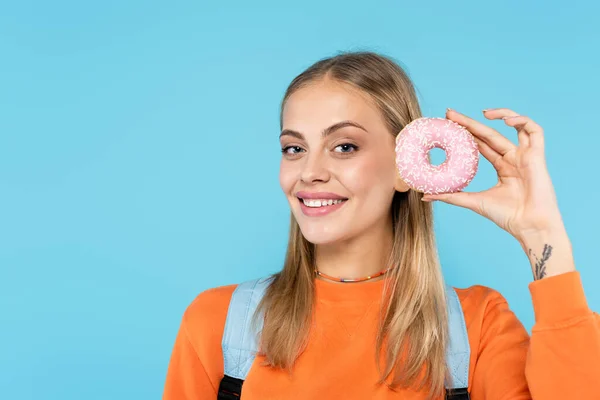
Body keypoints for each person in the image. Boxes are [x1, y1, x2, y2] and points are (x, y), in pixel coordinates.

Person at [162, 51, 600, 399]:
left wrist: (544, 236)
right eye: (293, 148)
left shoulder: (478, 329)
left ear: (405, 167)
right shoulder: (219, 323)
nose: (309, 172)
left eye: (344, 146)